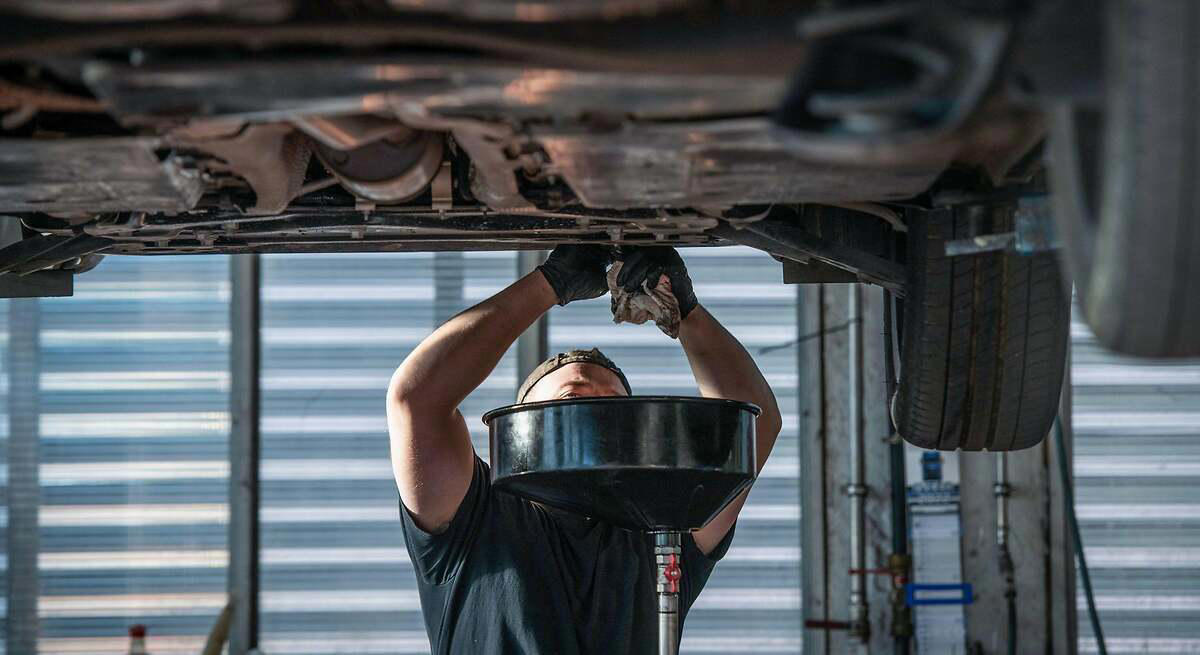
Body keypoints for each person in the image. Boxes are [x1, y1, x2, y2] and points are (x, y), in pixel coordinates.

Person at [386, 245, 782, 654]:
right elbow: (417, 399)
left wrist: (684, 311)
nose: (590, 418)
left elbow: (752, 429)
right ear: (520, 422)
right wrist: (548, 285)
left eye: (608, 409)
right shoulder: (474, 516)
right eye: (569, 402)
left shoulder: (659, 522)